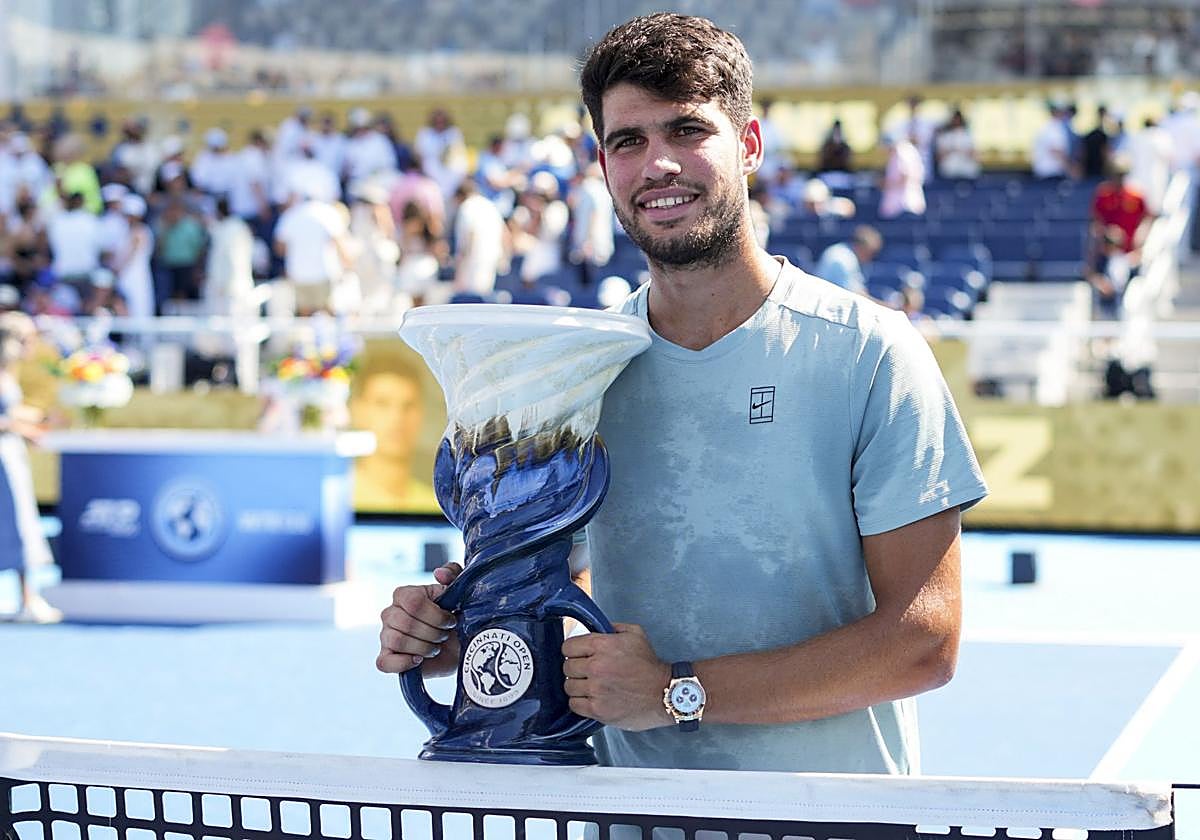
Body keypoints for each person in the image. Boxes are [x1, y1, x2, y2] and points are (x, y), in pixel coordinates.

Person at [377, 13, 987, 775]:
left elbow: (923, 641)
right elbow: (556, 596)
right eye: (629, 141)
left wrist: (676, 692)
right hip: (632, 819)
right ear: (603, 168)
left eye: (687, 131)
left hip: (839, 819)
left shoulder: (871, 352)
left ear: (750, 146)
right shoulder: (576, 371)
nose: (658, 165)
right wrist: (454, 640)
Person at [0, 312, 59, 623]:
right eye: (27, 339)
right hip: (3, 460)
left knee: (20, 522)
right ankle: (28, 599)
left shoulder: (8, 372)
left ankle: (28, 598)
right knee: (15, 524)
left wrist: (35, 419)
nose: (32, 345)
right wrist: (26, 428)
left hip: (11, 455)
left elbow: (10, 411)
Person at [348, 346, 440, 515]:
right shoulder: (337, 498)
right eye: (382, 404)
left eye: (408, 405)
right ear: (357, 410)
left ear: (421, 414)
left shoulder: (437, 505)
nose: (397, 417)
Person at [814, 225, 883, 297]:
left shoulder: (844, 251)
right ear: (859, 247)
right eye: (870, 253)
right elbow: (854, 296)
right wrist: (886, 307)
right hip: (825, 301)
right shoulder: (843, 259)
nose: (870, 258)